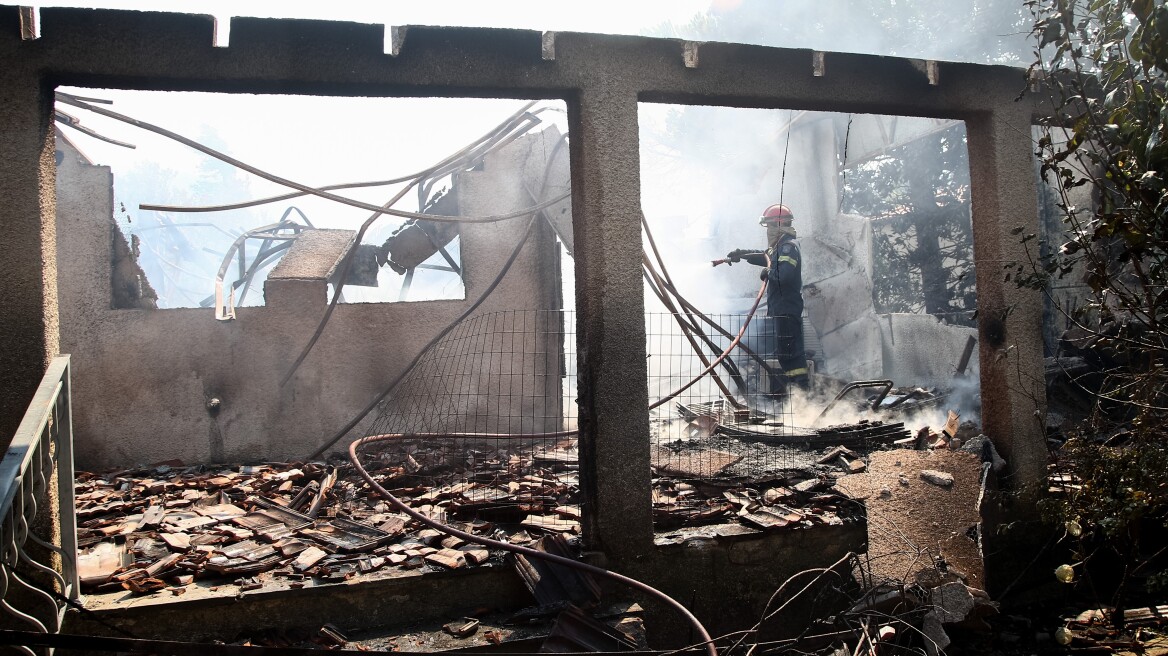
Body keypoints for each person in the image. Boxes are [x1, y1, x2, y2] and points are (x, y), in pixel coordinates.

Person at [725, 203, 808, 392]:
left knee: (792, 356)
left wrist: (767, 273)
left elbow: (783, 276)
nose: (768, 231)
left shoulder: (788, 248)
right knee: (786, 354)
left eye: (770, 226)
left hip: (787, 310)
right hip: (782, 310)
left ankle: (802, 394)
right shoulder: (779, 247)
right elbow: (765, 256)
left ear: (779, 225)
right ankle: (796, 394)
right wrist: (742, 254)